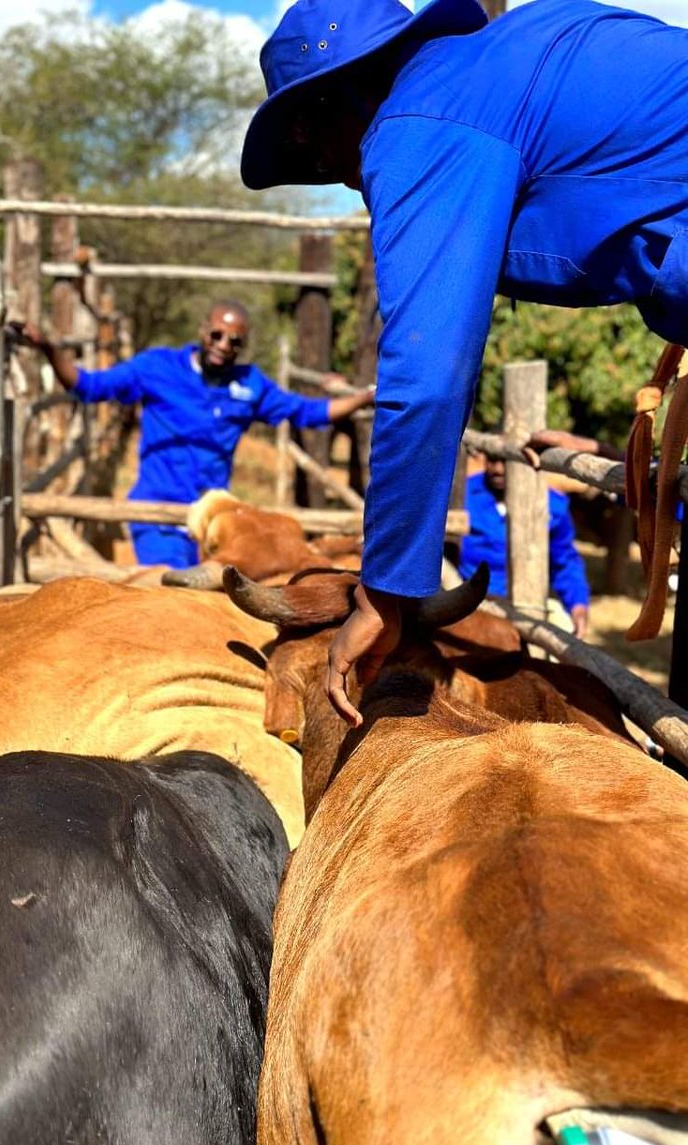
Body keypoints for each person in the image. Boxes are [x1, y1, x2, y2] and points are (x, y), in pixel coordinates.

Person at [240, 0, 688, 723]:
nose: (325, 167)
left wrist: (385, 593)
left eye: (306, 132)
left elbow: (426, 374)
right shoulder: (503, 66)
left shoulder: (418, 123)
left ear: (344, 93)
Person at [18, 301, 373, 568]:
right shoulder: (157, 367)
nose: (222, 344)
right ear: (202, 330)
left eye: (234, 341)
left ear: (243, 346)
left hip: (213, 517)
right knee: (178, 592)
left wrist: (364, 397)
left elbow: (309, 413)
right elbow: (88, 386)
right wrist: (49, 347)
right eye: (216, 334)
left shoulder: (249, 384)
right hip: (158, 512)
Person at [461, 456, 591, 638]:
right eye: (492, 460)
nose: (498, 469)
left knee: (566, 638)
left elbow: (565, 563)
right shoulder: (461, 496)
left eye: (506, 461)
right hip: (470, 598)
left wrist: (578, 606)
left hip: (528, 603)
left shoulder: (551, 505)